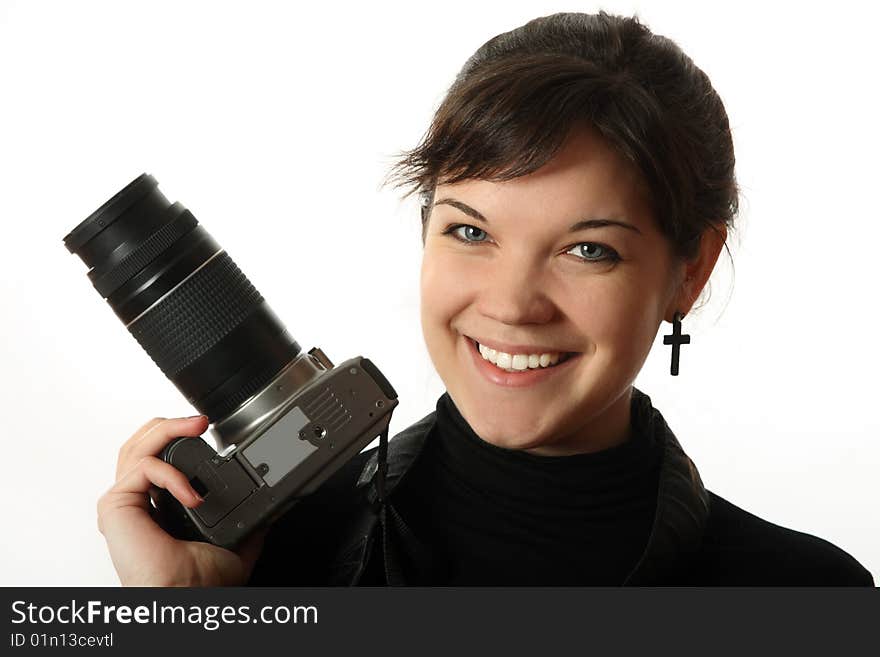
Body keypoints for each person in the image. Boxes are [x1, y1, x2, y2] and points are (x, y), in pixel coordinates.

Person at [97, 11, 874, 586]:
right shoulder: (264, 558)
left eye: (587, 249)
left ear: (690, 270)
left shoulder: (804, 593)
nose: (511, 304)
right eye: (471, 232)